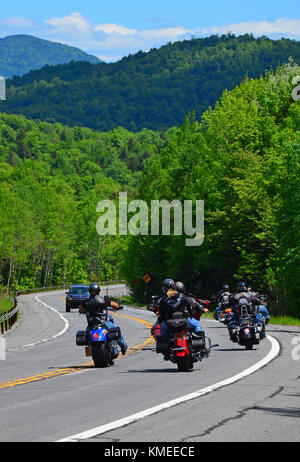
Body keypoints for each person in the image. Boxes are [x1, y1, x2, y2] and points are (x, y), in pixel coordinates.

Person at [79, 282, 127, 355]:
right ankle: (123, 346)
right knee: (116, 330)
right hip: (104, 324)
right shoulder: (104, 299)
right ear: (98, 290)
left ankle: (90, 350)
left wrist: (84, 310)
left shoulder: (86, 302)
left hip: (91, 326)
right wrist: (118, 306)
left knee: (87, 337)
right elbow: (114, 305)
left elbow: (80, 309)